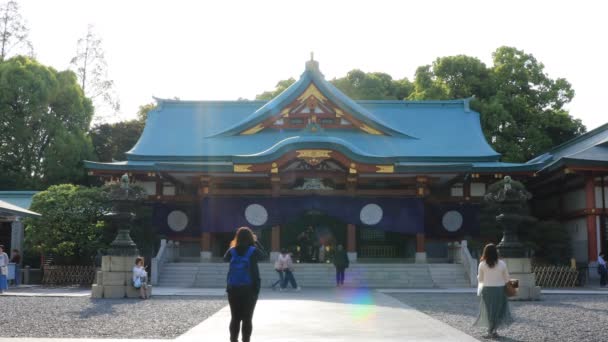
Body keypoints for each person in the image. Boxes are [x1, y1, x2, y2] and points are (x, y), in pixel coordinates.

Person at [224, 227, 267, 342]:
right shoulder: (253, 250)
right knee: (247, 318)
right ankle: (246, 340)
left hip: (233, 288)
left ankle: (233, 340)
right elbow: (264, 256)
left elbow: (225, 259)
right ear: (250, 237)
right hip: (250, 288)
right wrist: (256, 241)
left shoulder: (232, 251)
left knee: (235, 317)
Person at [474, 243, 513, 339]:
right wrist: (513, 289)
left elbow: (480, 279)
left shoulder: (482, 264)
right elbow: (507, 278)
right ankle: (494, 330)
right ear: (496, 252)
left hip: (487, 289)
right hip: (499, 289)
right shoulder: (502, 263)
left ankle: (490, 331)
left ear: (485, 252)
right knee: (498, 310)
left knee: (489, 311)